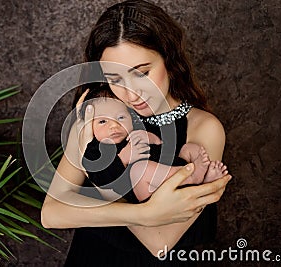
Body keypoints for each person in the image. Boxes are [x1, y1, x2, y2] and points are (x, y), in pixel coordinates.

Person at [41, 0, 232, 266]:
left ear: (169, 57)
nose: (131, 94)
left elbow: (158, 241)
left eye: (142, 73)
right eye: (116, 79)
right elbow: (51, 214)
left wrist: (96, 171)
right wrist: (145, 213)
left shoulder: (203, 128)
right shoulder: (98, 116)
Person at [80, 86, 228, 203]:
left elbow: (163, 151)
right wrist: (123, 158)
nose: (114, 126)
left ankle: (202, 179)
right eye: (102, 121)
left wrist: (154, 140)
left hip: (166, 175)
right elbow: (100, 179)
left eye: (120, 117)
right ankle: (192, 176)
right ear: (89, 126)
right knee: (139, 169)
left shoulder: (136, 133)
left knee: (189, 148)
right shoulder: (95, 151)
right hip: (144, 191)